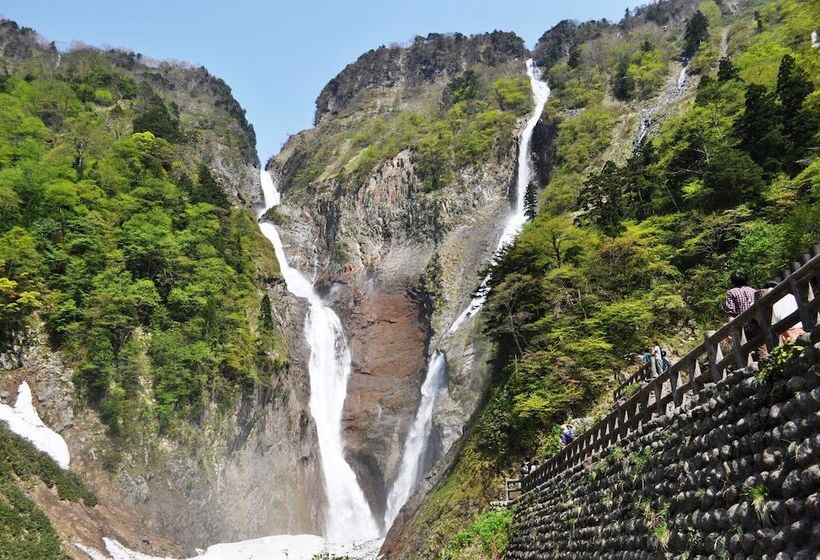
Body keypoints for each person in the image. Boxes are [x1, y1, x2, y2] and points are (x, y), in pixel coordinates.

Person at [725, 271, 766, 359]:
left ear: (732, 281)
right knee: (762, 349)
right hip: (758, 323)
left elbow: (731, 313)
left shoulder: (731, 293)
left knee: (744, 354)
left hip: (743, 327)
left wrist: (731, 331)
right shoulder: (753, 290)